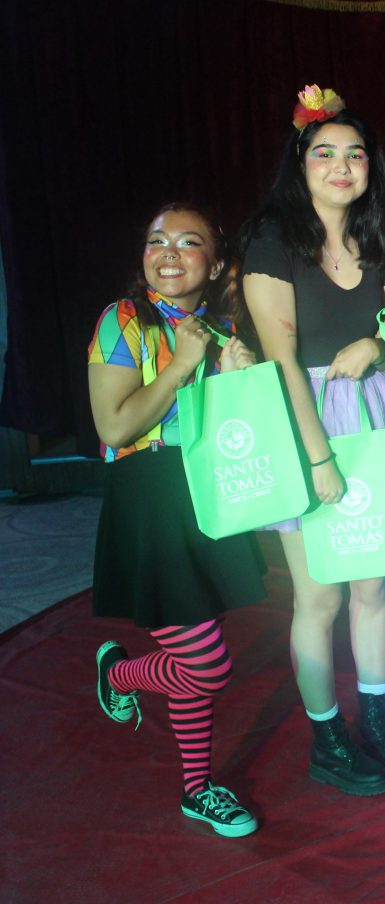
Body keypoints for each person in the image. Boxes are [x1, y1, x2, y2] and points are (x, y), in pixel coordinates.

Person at [242, 85, 385, 797]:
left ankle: (376, 717)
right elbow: (282, 362)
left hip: (372, 419)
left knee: (373, 586)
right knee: (319, 598)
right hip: (306, 422)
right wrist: (316, 458)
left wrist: (378, 341)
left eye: (355, 155)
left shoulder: (376, 237)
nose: (341, 167)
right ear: (300, 161)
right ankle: (327, 738)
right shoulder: (272, 242)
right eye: (325, 153)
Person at [90, 202, 264, 837]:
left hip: (209, 491)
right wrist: (182, 365)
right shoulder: (123, 319)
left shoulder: (221, 328)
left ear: (214, 264)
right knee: (206, 662)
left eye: (188, 242)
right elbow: (115, 427)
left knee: (199, 643)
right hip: (150, 496)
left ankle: (197, 789)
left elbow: (234, 429)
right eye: (156, 240)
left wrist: (238, 378)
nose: (168, 252)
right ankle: (120, 674)